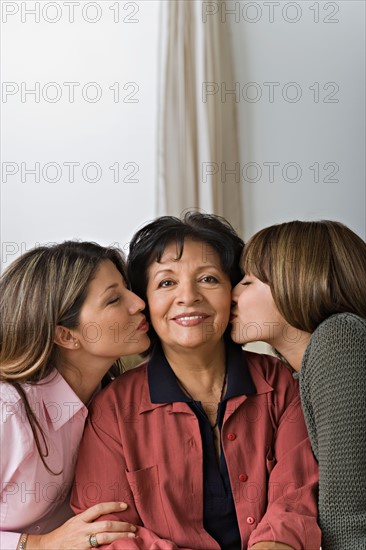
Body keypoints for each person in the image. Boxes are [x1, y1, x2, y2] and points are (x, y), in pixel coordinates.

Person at [71, 212, 321, 550]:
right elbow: (109, 530)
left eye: (208, 279)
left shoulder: (281, 384)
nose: (188, 296)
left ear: (232, 293)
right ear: (144, 302)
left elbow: (295, 499)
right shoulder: (112, 409)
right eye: (166, 283)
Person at [0, 241, 151, 550]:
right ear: (65, 335)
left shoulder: (115, 403)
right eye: (113, 299)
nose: (138, 303)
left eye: (127, 289)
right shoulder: (9, 411)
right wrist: (37, 544)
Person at [230, 220, 366, 550]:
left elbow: (349, 521)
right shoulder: (305, 368)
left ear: (296, 281)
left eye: (247, 281)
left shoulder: (339, 340)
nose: (232, 293)